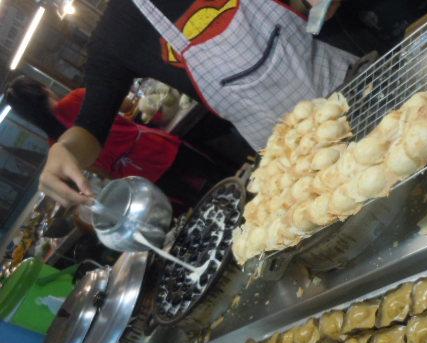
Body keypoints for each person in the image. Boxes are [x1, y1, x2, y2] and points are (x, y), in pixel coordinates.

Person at [37, 0, 361, 207]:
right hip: (292, 155)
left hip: (354, 85)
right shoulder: (117, 37)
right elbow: (91, 127)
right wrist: (66, 150)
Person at [5, 76, 222, 208]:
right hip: (156, 148)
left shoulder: (56, 145)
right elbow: (127, 105)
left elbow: (102, 172)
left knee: (198, 201)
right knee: (215, 172)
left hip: (140, 176)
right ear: (44, 88)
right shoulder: (77, 97)